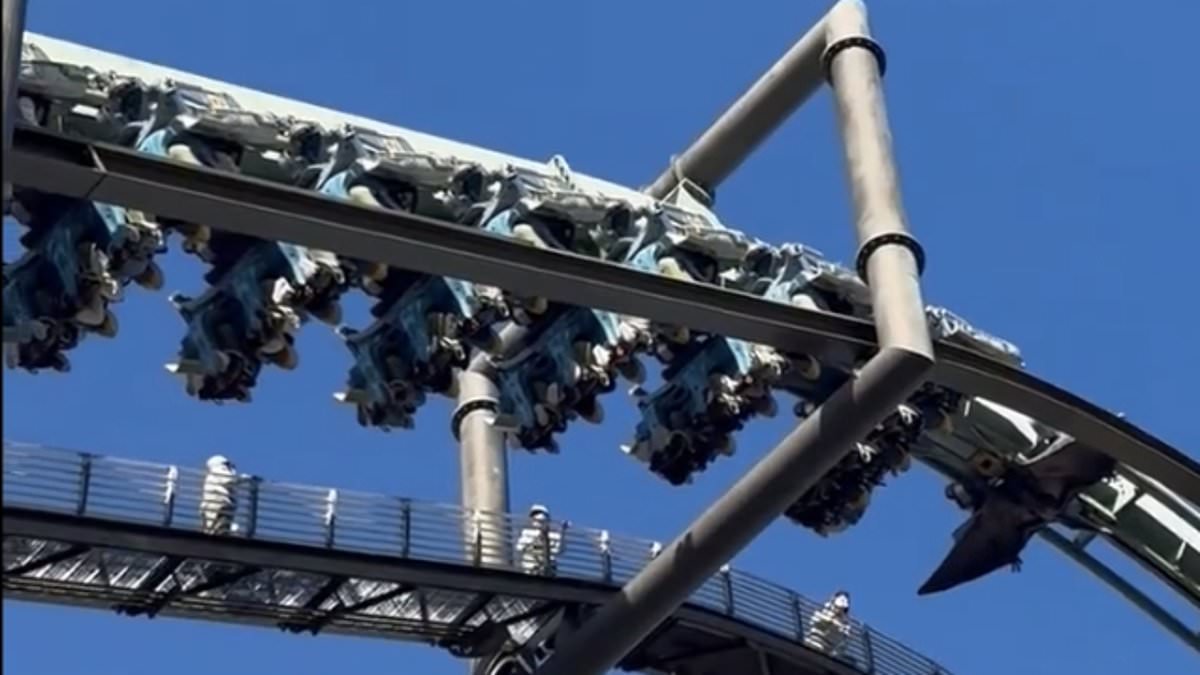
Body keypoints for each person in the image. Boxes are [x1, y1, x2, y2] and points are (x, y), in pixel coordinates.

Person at [516, 504, 568, 575]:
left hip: (549, 569)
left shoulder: (554, 535)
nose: (536, 518)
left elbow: (559, 550)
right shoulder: (527, 533)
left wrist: (563, 532)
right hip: (531, 568)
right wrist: (533, 539)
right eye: (534, 515)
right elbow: (519, 547)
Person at [200, 454, 241, 535]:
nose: (229, 467)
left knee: (210, 528)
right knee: (221, 527)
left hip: (211, 507)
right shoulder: (218, 471)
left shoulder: (211, 476)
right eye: (227, 464)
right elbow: (230, 481)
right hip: (220, 505)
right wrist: (245, 478)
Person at [804, 590, 853, 656]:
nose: (838, 610)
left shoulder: (845, 623)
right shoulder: (823, 611)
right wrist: (830, 620)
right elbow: (816, 622)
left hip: (827, 649)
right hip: (813, 642)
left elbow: (844, 638)